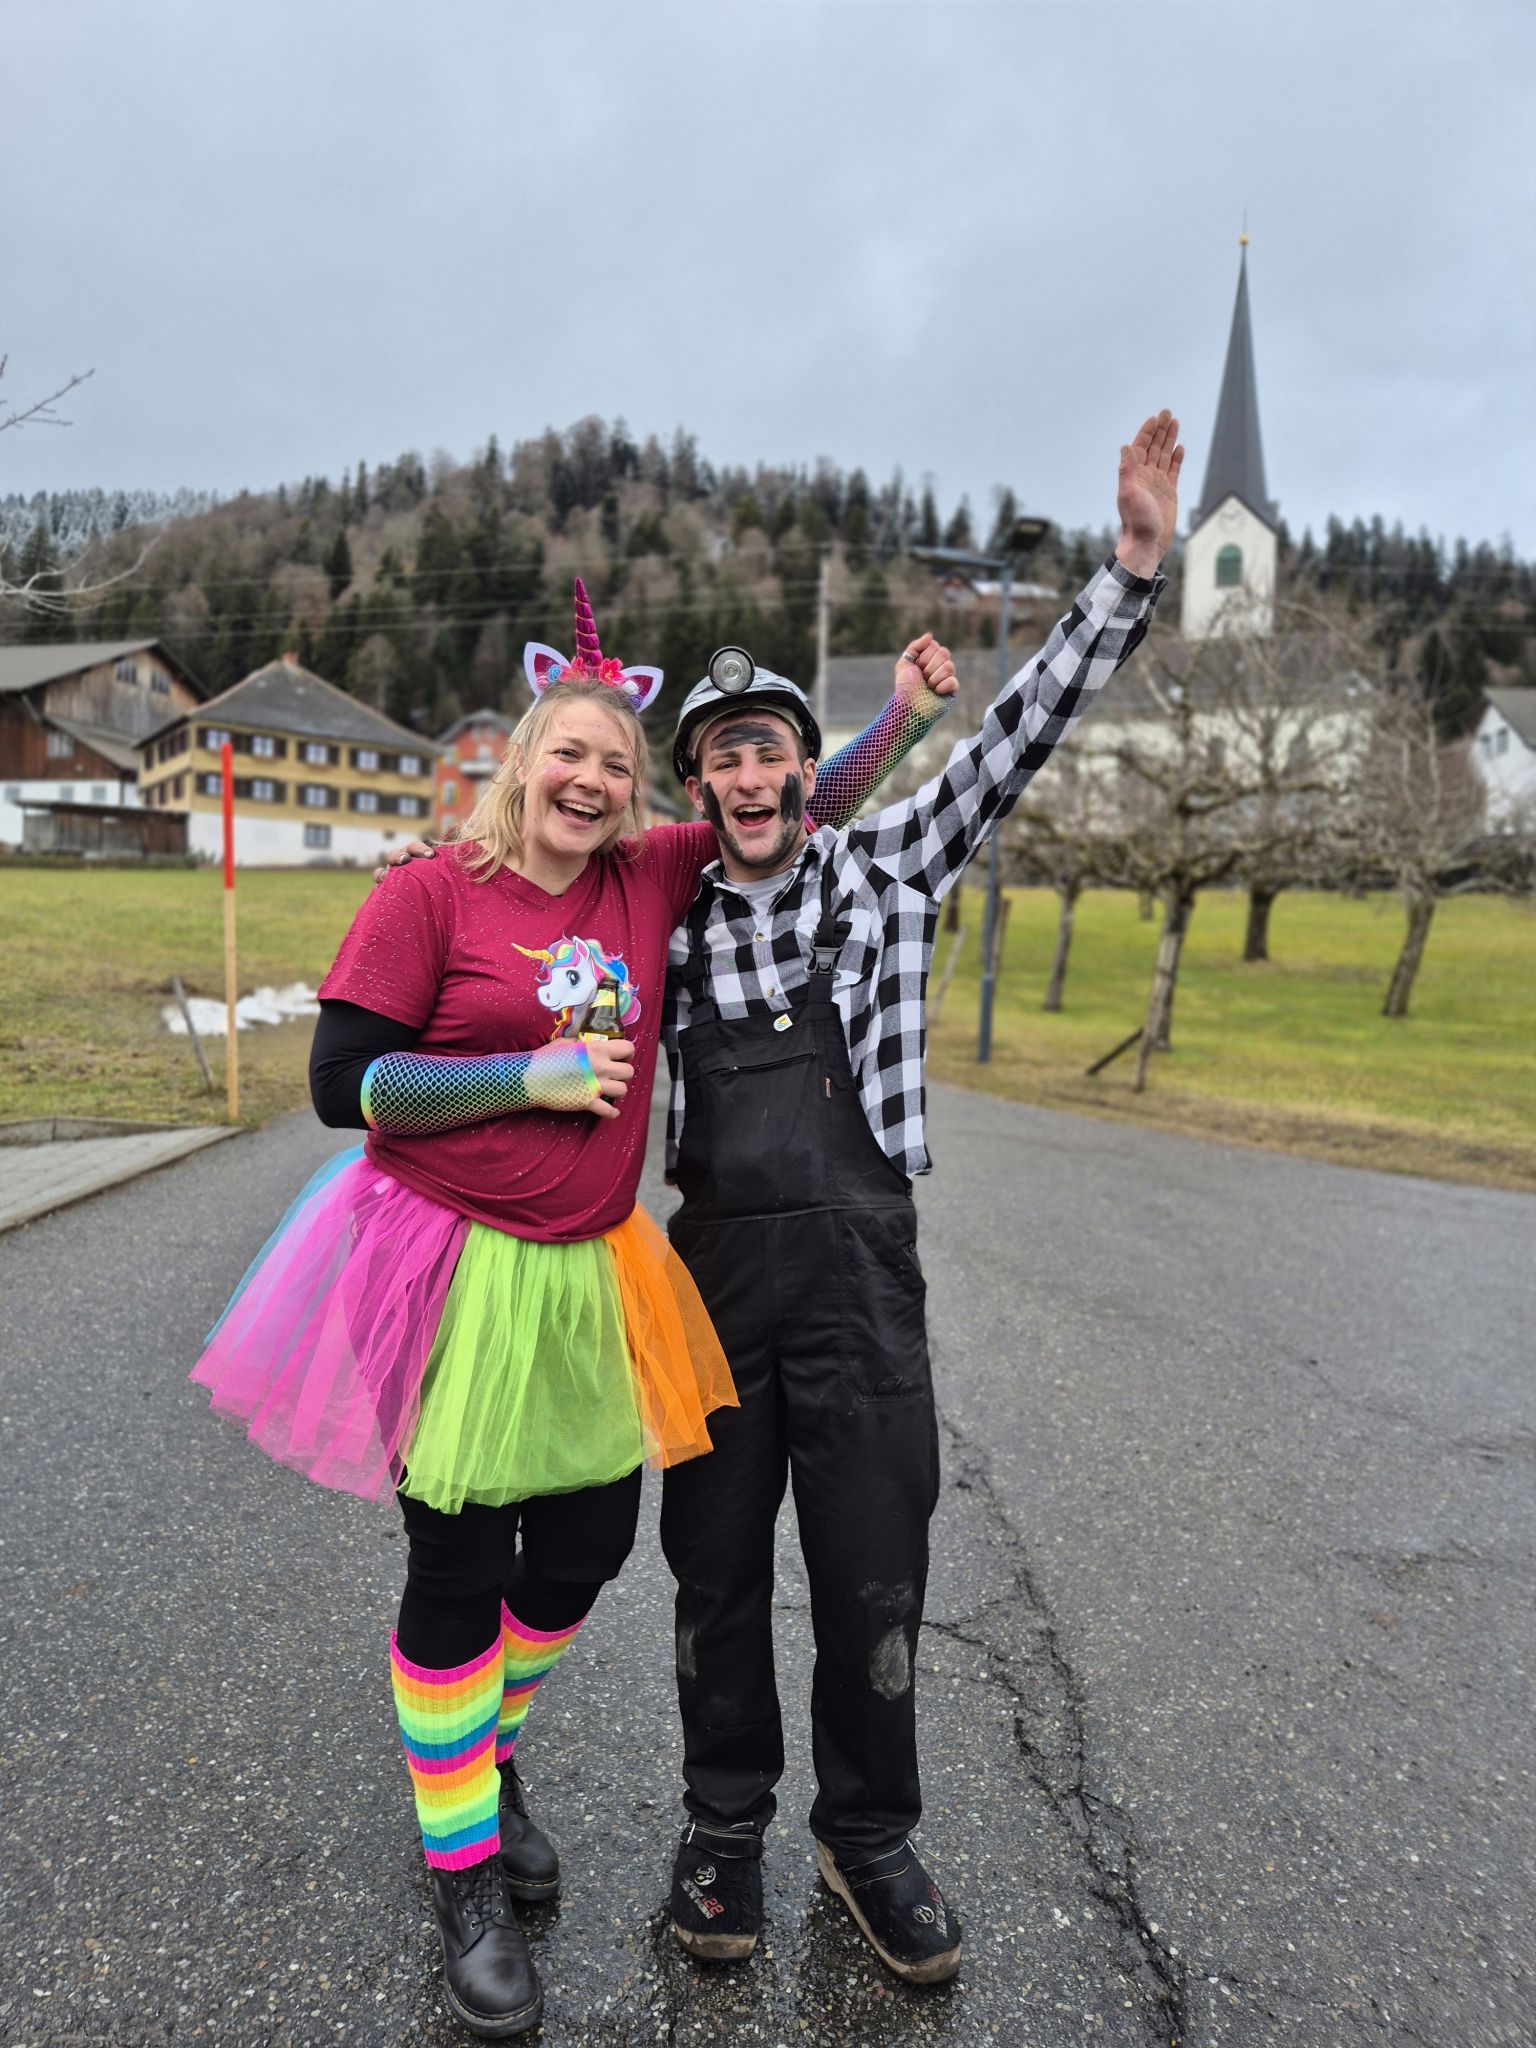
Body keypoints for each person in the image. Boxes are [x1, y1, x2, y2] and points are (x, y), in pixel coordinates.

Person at [190, 581, 955, 2039]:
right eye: (570, 754)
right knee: (460, 1565)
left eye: (616, 761)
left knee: (592, 1547)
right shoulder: (428, 894)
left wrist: (902, 721)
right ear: (522, 756)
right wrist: (517, 1078)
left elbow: (786, 794)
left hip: (592, 1271)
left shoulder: (647, 875)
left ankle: (482, 1751)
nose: (593, 780)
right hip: (443, 1263)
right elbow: (343, 1085)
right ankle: (464, 1870)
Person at [659, 411, 1182, 1986]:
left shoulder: (889, 867)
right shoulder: (657, 925)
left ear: (801, 770)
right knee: (716, 1570)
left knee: (877, 1561)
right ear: (698, 784)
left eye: (768, 745)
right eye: (721, 754)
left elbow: (1017, 732)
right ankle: (723, 1828)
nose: (748, 772)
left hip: (863, 1280)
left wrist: (1131, 572)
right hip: (709, 1293)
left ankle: (867, 1833)